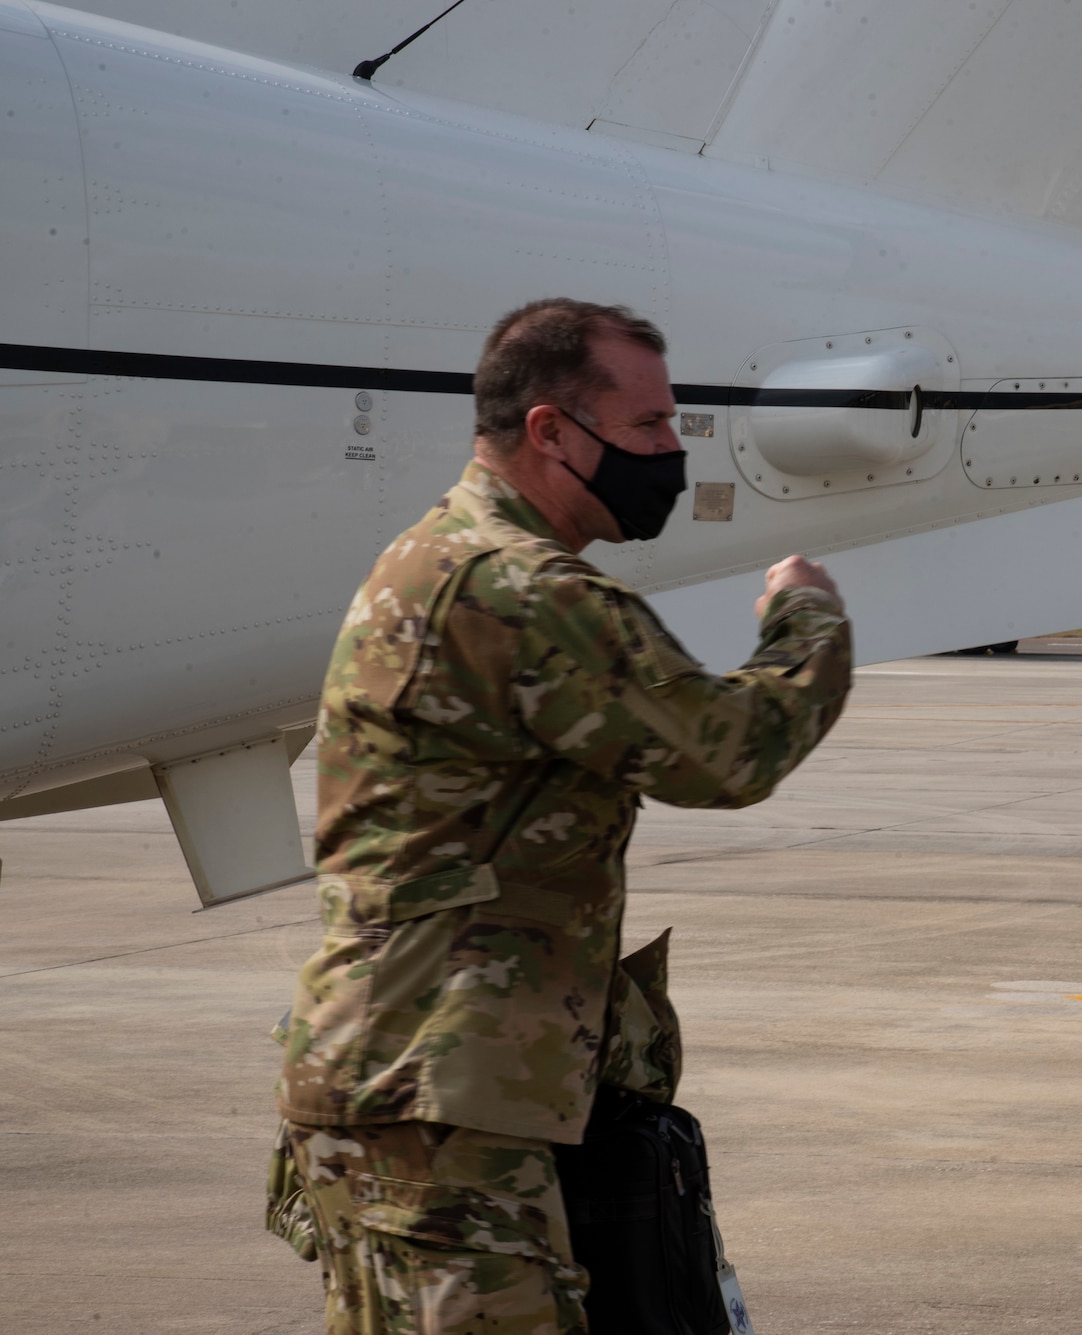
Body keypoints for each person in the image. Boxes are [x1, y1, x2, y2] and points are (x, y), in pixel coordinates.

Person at [265, 298, 853, 1333]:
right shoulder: (518, 588)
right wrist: (806, 618)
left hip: (415, 1082)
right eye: (648, 429)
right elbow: (726, 751)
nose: (672, 451)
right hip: (442, 1101)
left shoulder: (442, 555)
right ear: (550, 431)